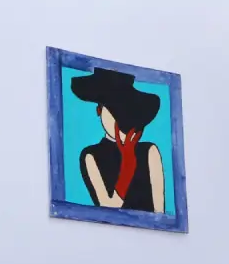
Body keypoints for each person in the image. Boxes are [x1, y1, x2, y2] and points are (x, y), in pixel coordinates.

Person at [70, 67, 166, 213]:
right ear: (99, 110)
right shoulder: (91, 155)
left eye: (126, 110)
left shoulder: (149, 151)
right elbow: (108, 210)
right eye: (114, 109)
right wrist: (127, 169)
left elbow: (160, 213)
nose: (121, 119)